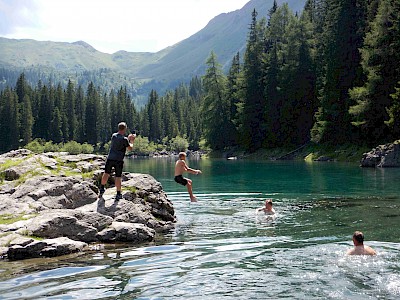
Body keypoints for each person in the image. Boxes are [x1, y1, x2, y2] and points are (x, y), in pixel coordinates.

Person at [99, 122, 136, 200]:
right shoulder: (124, 139)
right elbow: (130, 148)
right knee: (118, 176)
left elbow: (121, 140)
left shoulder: (114, 136)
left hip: (110, 158)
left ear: (119, 128)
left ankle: (102, 188)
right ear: (125, 129)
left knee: (106, 173)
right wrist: (132, 141)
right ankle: (118, 193)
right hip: (118, 160)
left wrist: (128, 139)